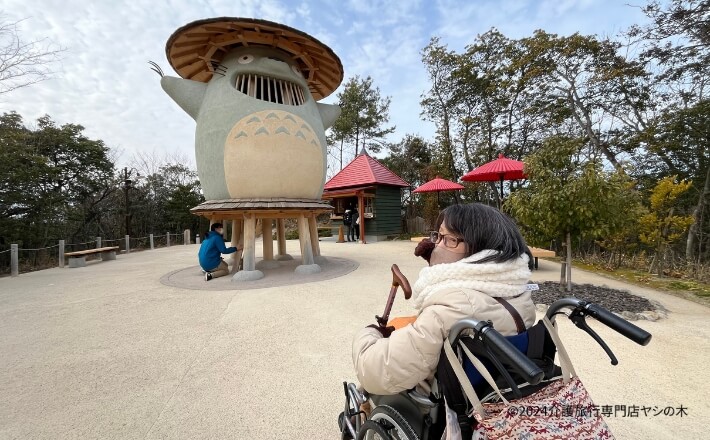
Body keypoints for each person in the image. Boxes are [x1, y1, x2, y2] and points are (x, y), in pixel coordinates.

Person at [351, 203, 536, 396]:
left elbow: (378, 370)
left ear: (478, 248)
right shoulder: (519, 294)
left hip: (438, 403)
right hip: (494, 389)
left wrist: (369, 334)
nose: (436, 245)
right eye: (437, 236)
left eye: (447, 239)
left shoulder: (450, 308)